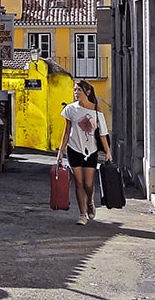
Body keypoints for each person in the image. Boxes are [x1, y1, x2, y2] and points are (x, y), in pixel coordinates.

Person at [57, 79, 112, 226]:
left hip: (91, 151)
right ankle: (82, 214)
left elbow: (102, 133)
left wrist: (108, 151)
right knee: (79, 182)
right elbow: (66, 131)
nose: (76, 93)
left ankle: (90, 202)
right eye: (75, 90)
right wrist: (60, 152)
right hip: (74, 149)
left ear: (87, 92)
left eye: (79, 90)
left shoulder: (96, 110)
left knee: (88, 184)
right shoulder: (69, 109)